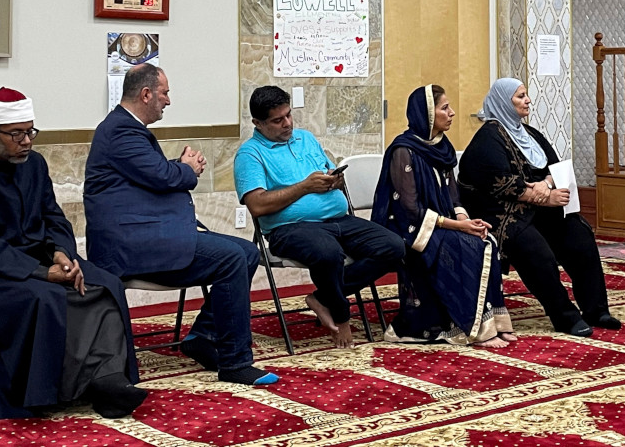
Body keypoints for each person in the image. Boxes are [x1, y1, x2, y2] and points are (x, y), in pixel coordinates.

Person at [0, 87, 146, 419]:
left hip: (36, 257)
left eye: (30, 131)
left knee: (107, 284)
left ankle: (106, 378)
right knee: (45, 295)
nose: (27, 141)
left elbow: (53, 217)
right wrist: (41, 272)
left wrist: (62, 253)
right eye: (16, 134)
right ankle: (49, 390)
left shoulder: (34, 165)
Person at [84, 64, 277, 386]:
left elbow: (148, 175)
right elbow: (161, 177)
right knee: (232, 258)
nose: (168, 101)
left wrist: (180, 166)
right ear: (146, 94)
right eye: (165, 93)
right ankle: (235, 362)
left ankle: (202, 337)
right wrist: (186, 169)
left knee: (245, 251)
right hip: (133, 246)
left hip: (150, 234)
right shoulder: (121, 131)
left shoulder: (125, 129)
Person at [235, 86, 405, 348]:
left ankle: (323, 298)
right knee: (328, 254)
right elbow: (256, 205)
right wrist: (305, 186)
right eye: (278, 120)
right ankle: (340, 314)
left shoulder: (306, 138)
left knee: (394, 246)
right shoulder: (250, 154)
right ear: (258, 123)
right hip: (290, 228)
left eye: (289, 115)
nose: (287, 124)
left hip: (339, 220)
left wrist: (334, 181)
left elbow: (325, 172)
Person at [459, 78, 620, 337]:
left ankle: (596, 309)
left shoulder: (530, 134)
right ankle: (564, 315)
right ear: (503, 102)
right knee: (537, 251)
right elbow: (504, 185)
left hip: (537, 209)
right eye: (520, 96)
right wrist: (545, 196)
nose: (528, 101)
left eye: (526, 95)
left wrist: (546, 184)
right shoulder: (488, 139)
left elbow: (555, 168)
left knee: (579, 234)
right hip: (501, 215)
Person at [373, 85, 514, 348]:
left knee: (486, 241)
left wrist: (465, 220)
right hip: (412, 228)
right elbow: (409, 209)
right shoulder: (404, 150)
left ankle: (492, 322)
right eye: (444, 108)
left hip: (441, 223)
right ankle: (470, 326)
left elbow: (453, 197)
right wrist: (459, 227)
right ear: (427, 113)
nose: (451, 113)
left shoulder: (442, 147)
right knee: (464, 245)